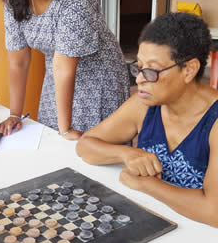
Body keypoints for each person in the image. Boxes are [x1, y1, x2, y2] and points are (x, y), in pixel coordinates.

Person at [76, 12, 218, 227]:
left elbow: (213, 212)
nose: (140, 79)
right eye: (139, 67)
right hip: (155, 221)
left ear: (189, 70)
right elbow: (85, 146)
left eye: (152, 70)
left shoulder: (213, 122)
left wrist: (146, 185)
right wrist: (126, 153)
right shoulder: (145, 105)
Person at [0, 0, 129, 140]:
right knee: (52, 142)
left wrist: (65, 128)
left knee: (94, 146)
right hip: (57, 76)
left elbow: (65, 65)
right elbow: (18, 61)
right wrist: (14, 114)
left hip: (99, 77)